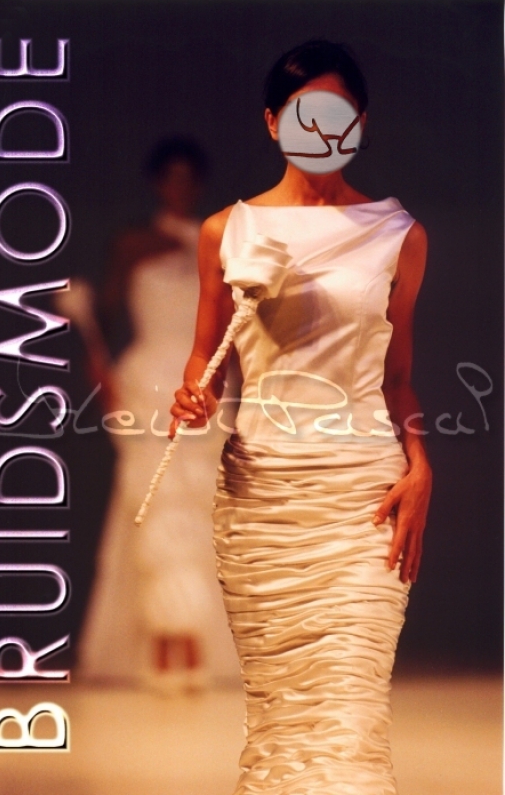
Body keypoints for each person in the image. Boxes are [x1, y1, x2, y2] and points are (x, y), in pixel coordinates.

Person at [170, 40, 432, 793]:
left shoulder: (398, 234)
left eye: (337, 112)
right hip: (262, 502)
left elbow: (398, 379)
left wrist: (422, 469)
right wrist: (192, 399)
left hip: (363, 498)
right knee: (283, 724)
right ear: (271, 121)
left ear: (360, 122)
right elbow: (205, 363)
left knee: (349, 714)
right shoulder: (227, 231)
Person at [63, 136, 232, 691]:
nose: (180, 187)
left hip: (203, 382)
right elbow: (108, 314)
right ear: (158, 183)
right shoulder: (133, 243)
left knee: (203, 506)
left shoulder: (218, 244)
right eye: (171, 177)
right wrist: (98, 362)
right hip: (147, 385)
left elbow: (229, 322)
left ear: (198, 184)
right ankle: (162, 646)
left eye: (189, 178)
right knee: (155, 502)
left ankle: (200, 645)